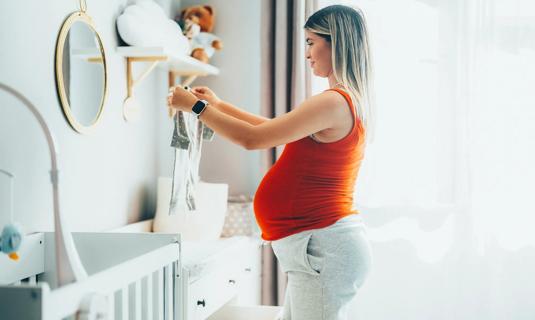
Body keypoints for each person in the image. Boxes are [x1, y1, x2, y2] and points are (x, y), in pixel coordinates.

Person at [168, 4, 373, 320]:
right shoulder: (343, 100)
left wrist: (195, 107)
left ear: (336, 42)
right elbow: (271, 129)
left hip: (322, 249)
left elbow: (254, 140)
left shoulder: (334, 101)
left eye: (311, 42)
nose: (306, 53)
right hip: (319, 248)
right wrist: (220, 106)